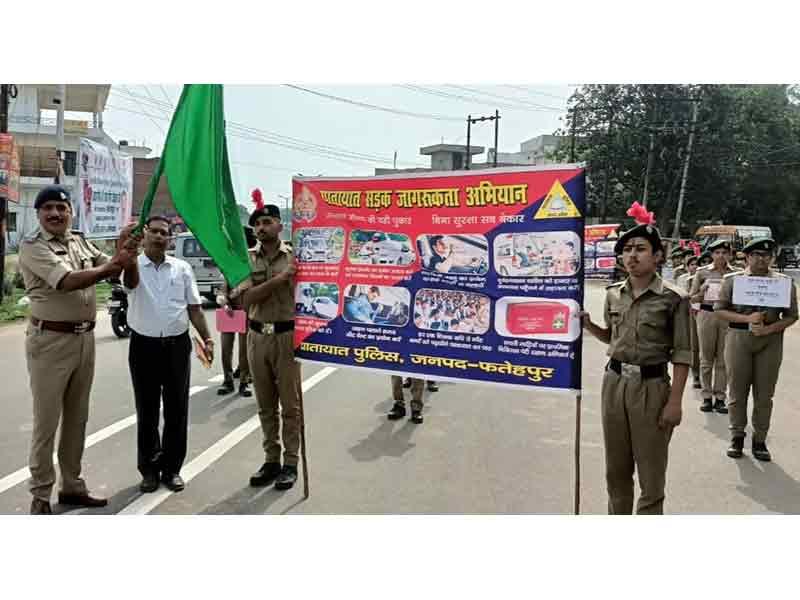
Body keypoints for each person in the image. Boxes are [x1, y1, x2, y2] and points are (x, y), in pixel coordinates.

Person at [19, 184, 138, 514]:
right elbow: (69, 280)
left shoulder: (80, 241)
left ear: (71, 212)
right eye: (48, 209)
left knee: (77, 419)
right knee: (47, 421)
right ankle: (40, 494)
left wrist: (127, 250)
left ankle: (71, 485)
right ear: (39, 214)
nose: (56, 213)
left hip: (85, 339)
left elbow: (121, 276)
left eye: (62, 207)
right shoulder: (32, 247)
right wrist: (114, 262)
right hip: (50, 342)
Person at [581, 222, 690, 514]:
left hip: (652, 389)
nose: (632, 255)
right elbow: (612, 336)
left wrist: (675, 402)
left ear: (657, 256)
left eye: (640, 249)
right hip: (614, 384)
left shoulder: (674, 298)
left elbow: (683, 353)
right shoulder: (613, 293)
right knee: (615, 471)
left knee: (651, 478)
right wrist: (589, 325)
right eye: (627, 250)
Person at [123, 215, 215, 494]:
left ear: (171, 238)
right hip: (144, 347)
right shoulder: (132, 265)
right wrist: (127, 253)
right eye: (154, 231)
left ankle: (172, 468)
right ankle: (149, 470)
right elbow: (129, 283)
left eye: (165, 233)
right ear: (145, 234)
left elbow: (194, 308)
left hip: (176, 347)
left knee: (177, 410)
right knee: (147, 410)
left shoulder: (182, 268)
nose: (160, 237)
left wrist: (207, 337)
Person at [714, 238, 798, 461]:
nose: (762, 259)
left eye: (767, 255)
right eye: (757, 255)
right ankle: (737, 436)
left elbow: (791, 316)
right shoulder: (733, 280)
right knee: (737, 391)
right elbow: (720, 310)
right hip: (739, 337)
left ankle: (760, 440)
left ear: (772, 258)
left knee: (764, 394)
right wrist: (746, 318)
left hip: (769, 341)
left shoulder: (784, 282)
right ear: (747, 257)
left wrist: (769, 329)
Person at [239, 203, 302, 490]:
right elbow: (242, 301)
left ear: (279, 225)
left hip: (287, 337)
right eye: (257, 224)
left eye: (267, 222)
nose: (261, 227)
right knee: (265, 406)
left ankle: (290, 463)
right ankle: (271, 459)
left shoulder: (297, 258)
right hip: (257, 337)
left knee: (290, 405)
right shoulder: (245, 260)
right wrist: (280, 280)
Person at [690, 240, 738, 413]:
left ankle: (720, 397)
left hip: (727, 316)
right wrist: (702, 291)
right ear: (711, 255)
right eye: (717, 252)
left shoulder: (736, 274)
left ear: (730, 255)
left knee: (724, 358)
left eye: (725, 253)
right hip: (707, 314)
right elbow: (692, 298)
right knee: (706, 358)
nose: (721, 256)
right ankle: (706, 397)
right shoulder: (702, 273)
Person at [216, 277, 252, 397]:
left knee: (244, 350)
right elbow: (221, 293)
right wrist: (225, 304)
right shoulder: (228, 273)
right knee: (226, 349)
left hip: (246, 314)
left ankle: (244, 382)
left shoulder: (251, 271)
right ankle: (228, 381)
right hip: (229, 314)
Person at [678, 254, 702, 389]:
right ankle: (696, 374)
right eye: (692, 264)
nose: (695, 267)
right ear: (687, 267)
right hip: (689, 314)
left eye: (697, 264)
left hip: (704, 313)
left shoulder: (705, 277)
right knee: (694, 346)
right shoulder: (682, 279)